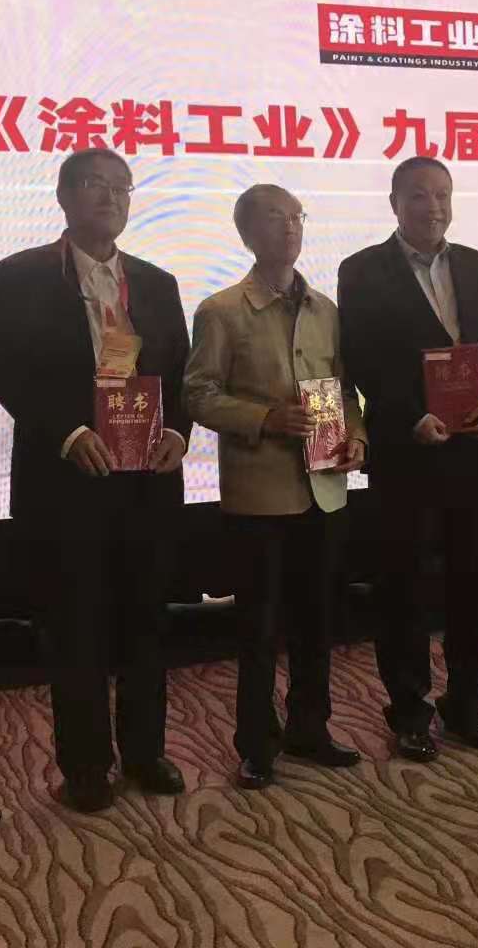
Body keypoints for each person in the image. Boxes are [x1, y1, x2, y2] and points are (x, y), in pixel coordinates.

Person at [0, 148, 191, 812]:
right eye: (95, 185)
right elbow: (4, 368)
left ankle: (146, 751)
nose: (111, 198)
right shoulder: (21, 274)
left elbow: (180, 373)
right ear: (64, 196)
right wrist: (69, 433)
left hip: (145, 480)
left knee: (145, 621)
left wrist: (178, 431)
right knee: (75, 627)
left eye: (122, 188)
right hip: (65, 479)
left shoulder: (156, 282)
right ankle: (86, 765)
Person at [183, 184, 366, 789]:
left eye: (296, 217)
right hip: (259, 496)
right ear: (246, 233)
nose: (289, 228)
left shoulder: (326, 309)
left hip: (324, 488)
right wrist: (265, 419)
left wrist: (357, 437)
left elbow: (344, 390)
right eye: (274, 218)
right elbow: (198, 395)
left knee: (317, 622)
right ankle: (256, 744)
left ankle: (311, 728)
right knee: (259, 628)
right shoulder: (221, 310)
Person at [337, 156, 478, 761]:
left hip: (474, 454)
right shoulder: (362, 270)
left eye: (442, 194)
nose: (433, 206)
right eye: (419, 195)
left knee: (475, 588)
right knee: (404, 591)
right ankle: (410, 711)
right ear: (395, 203)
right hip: (406, 456)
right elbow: (361, 356)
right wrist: (410, 415)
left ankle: (466, 704)